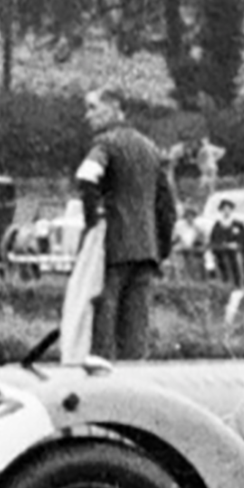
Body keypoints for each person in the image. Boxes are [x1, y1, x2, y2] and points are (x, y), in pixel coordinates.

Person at [74, 87, 176, 357]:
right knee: (135, 331)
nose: (88, 115)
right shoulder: (151, 148)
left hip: (112, 249)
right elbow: (167, 207)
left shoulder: (105, 144)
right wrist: (160, 249)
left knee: (104, 324)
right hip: (146, 252)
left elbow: (86, 177)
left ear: (113, 109)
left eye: (93, 108)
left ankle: (103, 391)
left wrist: (92, 223)